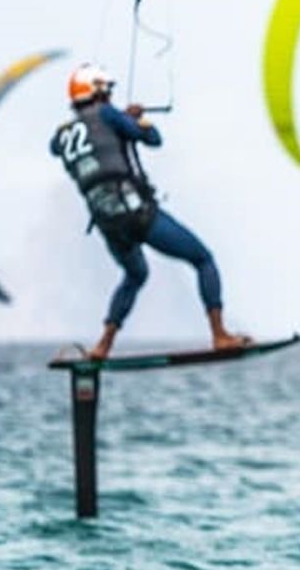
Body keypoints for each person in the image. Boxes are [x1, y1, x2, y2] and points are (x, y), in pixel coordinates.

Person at [50, 62, 247, 360]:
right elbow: (153, 139)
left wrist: (119, 120)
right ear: (97, 90)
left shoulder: (63, 135)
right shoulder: (107, 114)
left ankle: (103, 347)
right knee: (203, 259)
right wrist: (135, 119)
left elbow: (60, 146)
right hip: (136, 214)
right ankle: (220, 335)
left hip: (108, 226)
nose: (110, 96)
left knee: (136, 274)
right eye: (107, 90)